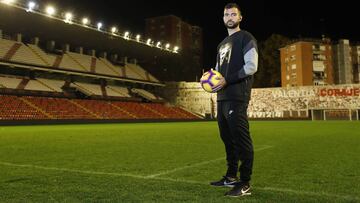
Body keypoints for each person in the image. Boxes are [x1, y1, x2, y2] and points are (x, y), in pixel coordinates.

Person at [209, 3, 258, 197]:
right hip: (222, 98)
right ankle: (230, 177)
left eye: (233, 14)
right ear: (223, 19)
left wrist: (227, 80)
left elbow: (252, 66)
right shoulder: (222, 44)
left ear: (240, 17)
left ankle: (245, 182)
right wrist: (210, 83)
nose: (229, 17)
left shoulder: (246, 38)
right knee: (227, 140)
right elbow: (218, 72)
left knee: (241, 140)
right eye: (226, 14)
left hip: (237, 96)